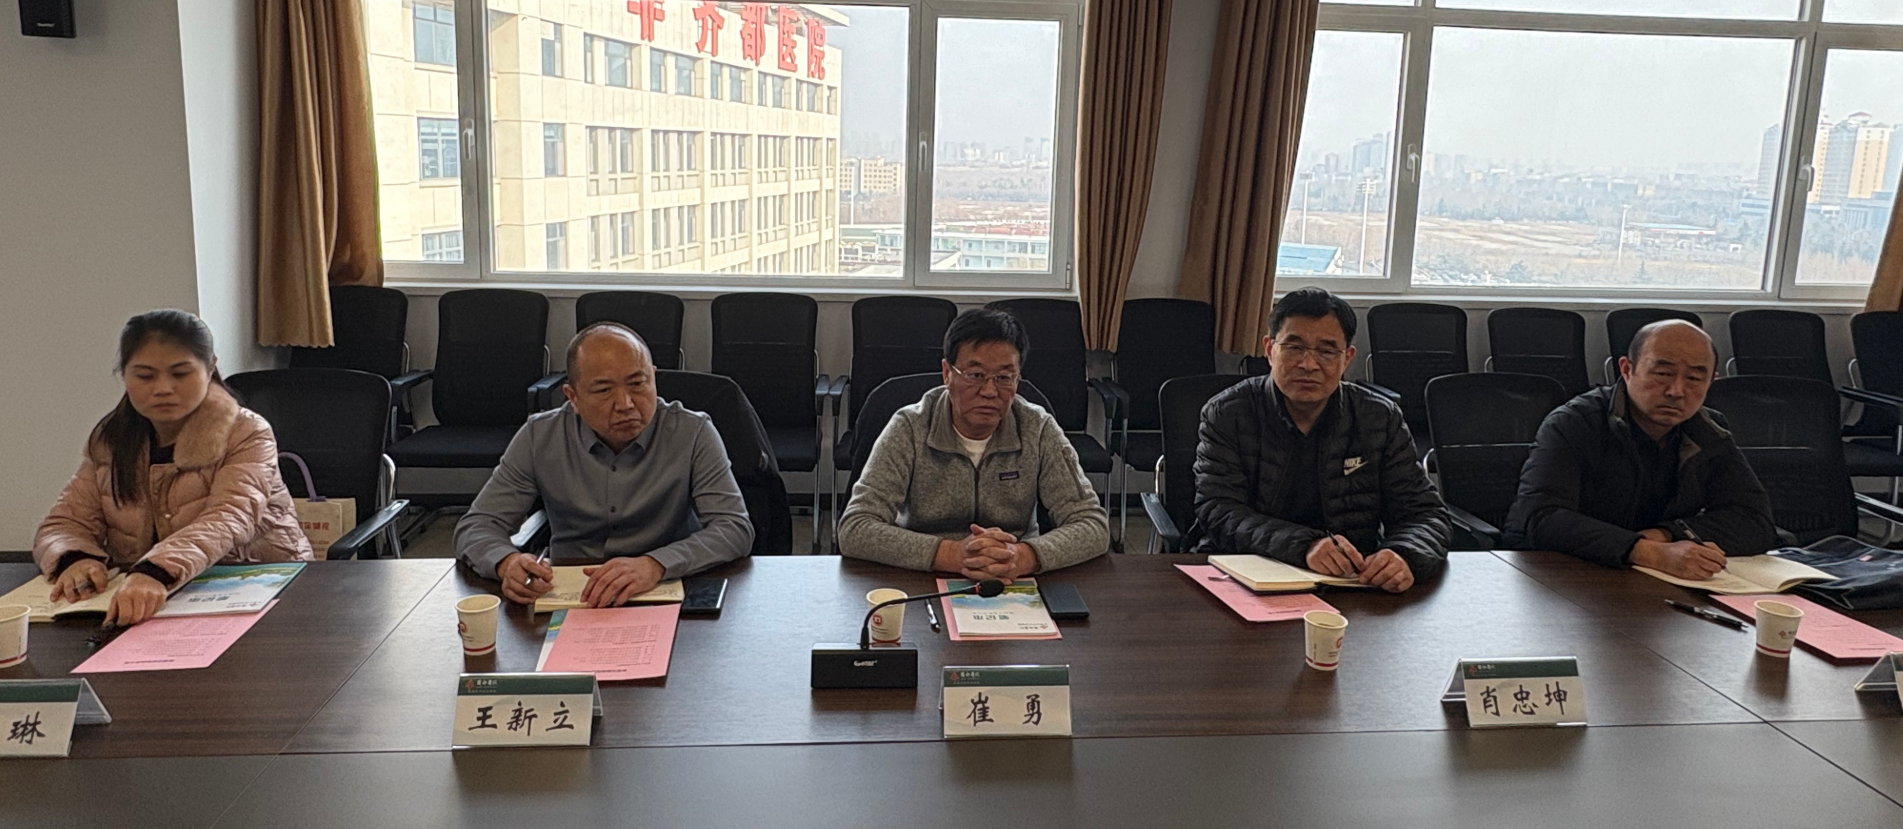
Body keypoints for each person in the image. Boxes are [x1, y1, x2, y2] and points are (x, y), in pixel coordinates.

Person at [34, 310, 313, 625]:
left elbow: (231, 515)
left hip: (261, 586)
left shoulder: (246, 432)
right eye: (145, 376)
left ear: (210, 368)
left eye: (180, 374)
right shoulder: (111, 440)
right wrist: (76, 559)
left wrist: (155, 571)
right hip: (152, 601)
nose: (163, 388)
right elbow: (64, 523)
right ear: (124, 375)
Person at [456, 323, 752, 606]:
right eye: (603, 390)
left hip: (663, 588)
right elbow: (476, 526)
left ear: (653, 378)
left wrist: (657, 564)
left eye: (637, 384)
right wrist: (507, 563)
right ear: (572, 397)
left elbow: (734, 528)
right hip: (571, 593)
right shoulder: (540, 436)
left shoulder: (693, 432)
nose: (625, 404)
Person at [1192, 288, 1449, 592]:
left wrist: (1405, 554)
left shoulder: (1378, 417)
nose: (1309, 364)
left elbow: (1424, 513)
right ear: (1269, 350)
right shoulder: (1228, 413)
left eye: (1326, 351)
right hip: (1245, 576)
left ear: (1347, 359)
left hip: (1349, 581)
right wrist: (1305, 546)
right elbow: (1218, 509)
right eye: (1294, 347)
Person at [838, 308, 1109, 580]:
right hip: (923, 574)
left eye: (1004, 378)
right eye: (976, 375)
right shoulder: (909, 427)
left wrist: (1023, 557)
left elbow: (1092, 524)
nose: (989, 391)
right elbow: (855, 527)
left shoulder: (1037, 428)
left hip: (1012, 575)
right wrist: (953, 555)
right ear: (947, 373)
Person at [1505, 320, 1777, 577]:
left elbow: (1755, 520)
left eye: (1694, 378)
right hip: (1562, 574)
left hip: (1654, 579)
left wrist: (1665, 535)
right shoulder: (1574, 422)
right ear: (1626, 369)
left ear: (1711, 382)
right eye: (1663, 374)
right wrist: (1647, 552)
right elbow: (1541, 518)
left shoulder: (1708, 431)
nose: (1676, 391)